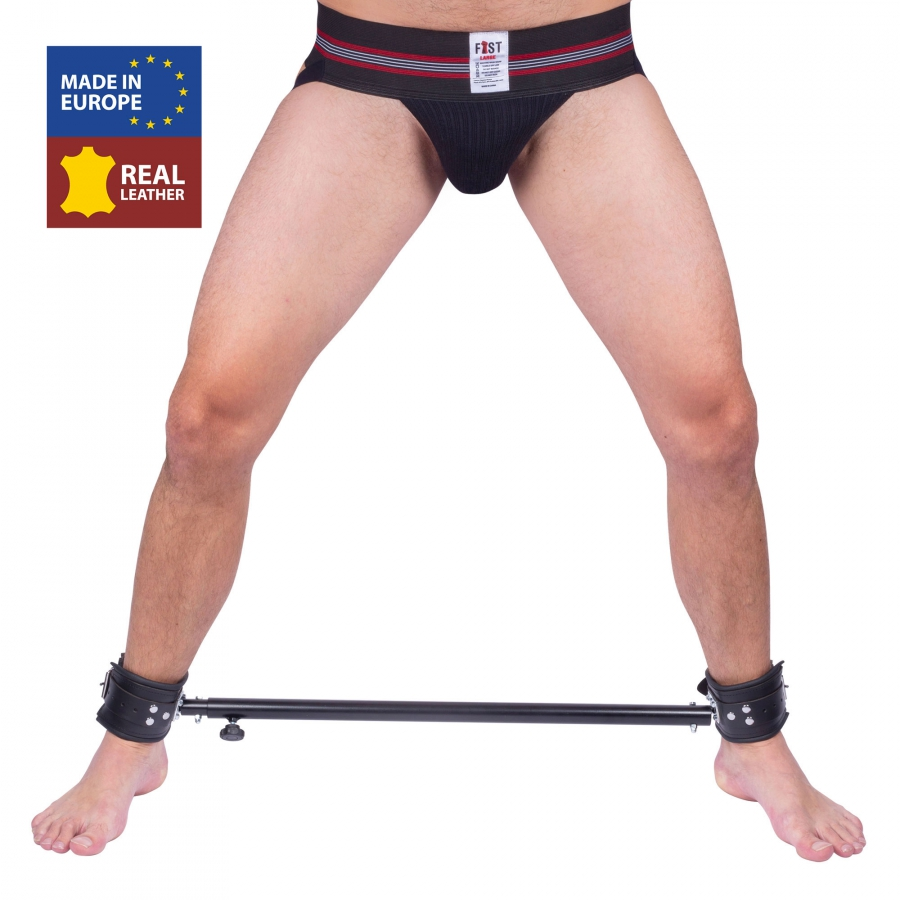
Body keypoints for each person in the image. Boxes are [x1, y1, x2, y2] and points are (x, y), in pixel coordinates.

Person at [32, 0, 865, 860]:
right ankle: (133, 735)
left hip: (579, 64)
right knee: (206, 424)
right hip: (374, 69)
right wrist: (111, 129)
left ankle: (752, 737)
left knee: (716, 429)